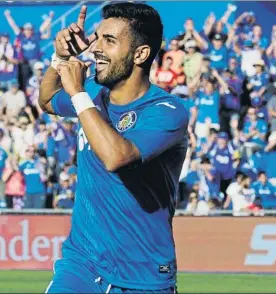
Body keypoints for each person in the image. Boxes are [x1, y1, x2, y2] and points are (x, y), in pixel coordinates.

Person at [39, 3, 188, 293]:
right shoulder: (94, 90)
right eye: (97, 38)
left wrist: (79, 94)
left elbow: (117, 157)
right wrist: (60, 58)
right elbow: (46, 102)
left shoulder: (167, 111)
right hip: (82, 264)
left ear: (140, 54)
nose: (96, 48)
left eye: (109, 41)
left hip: (143, 276)